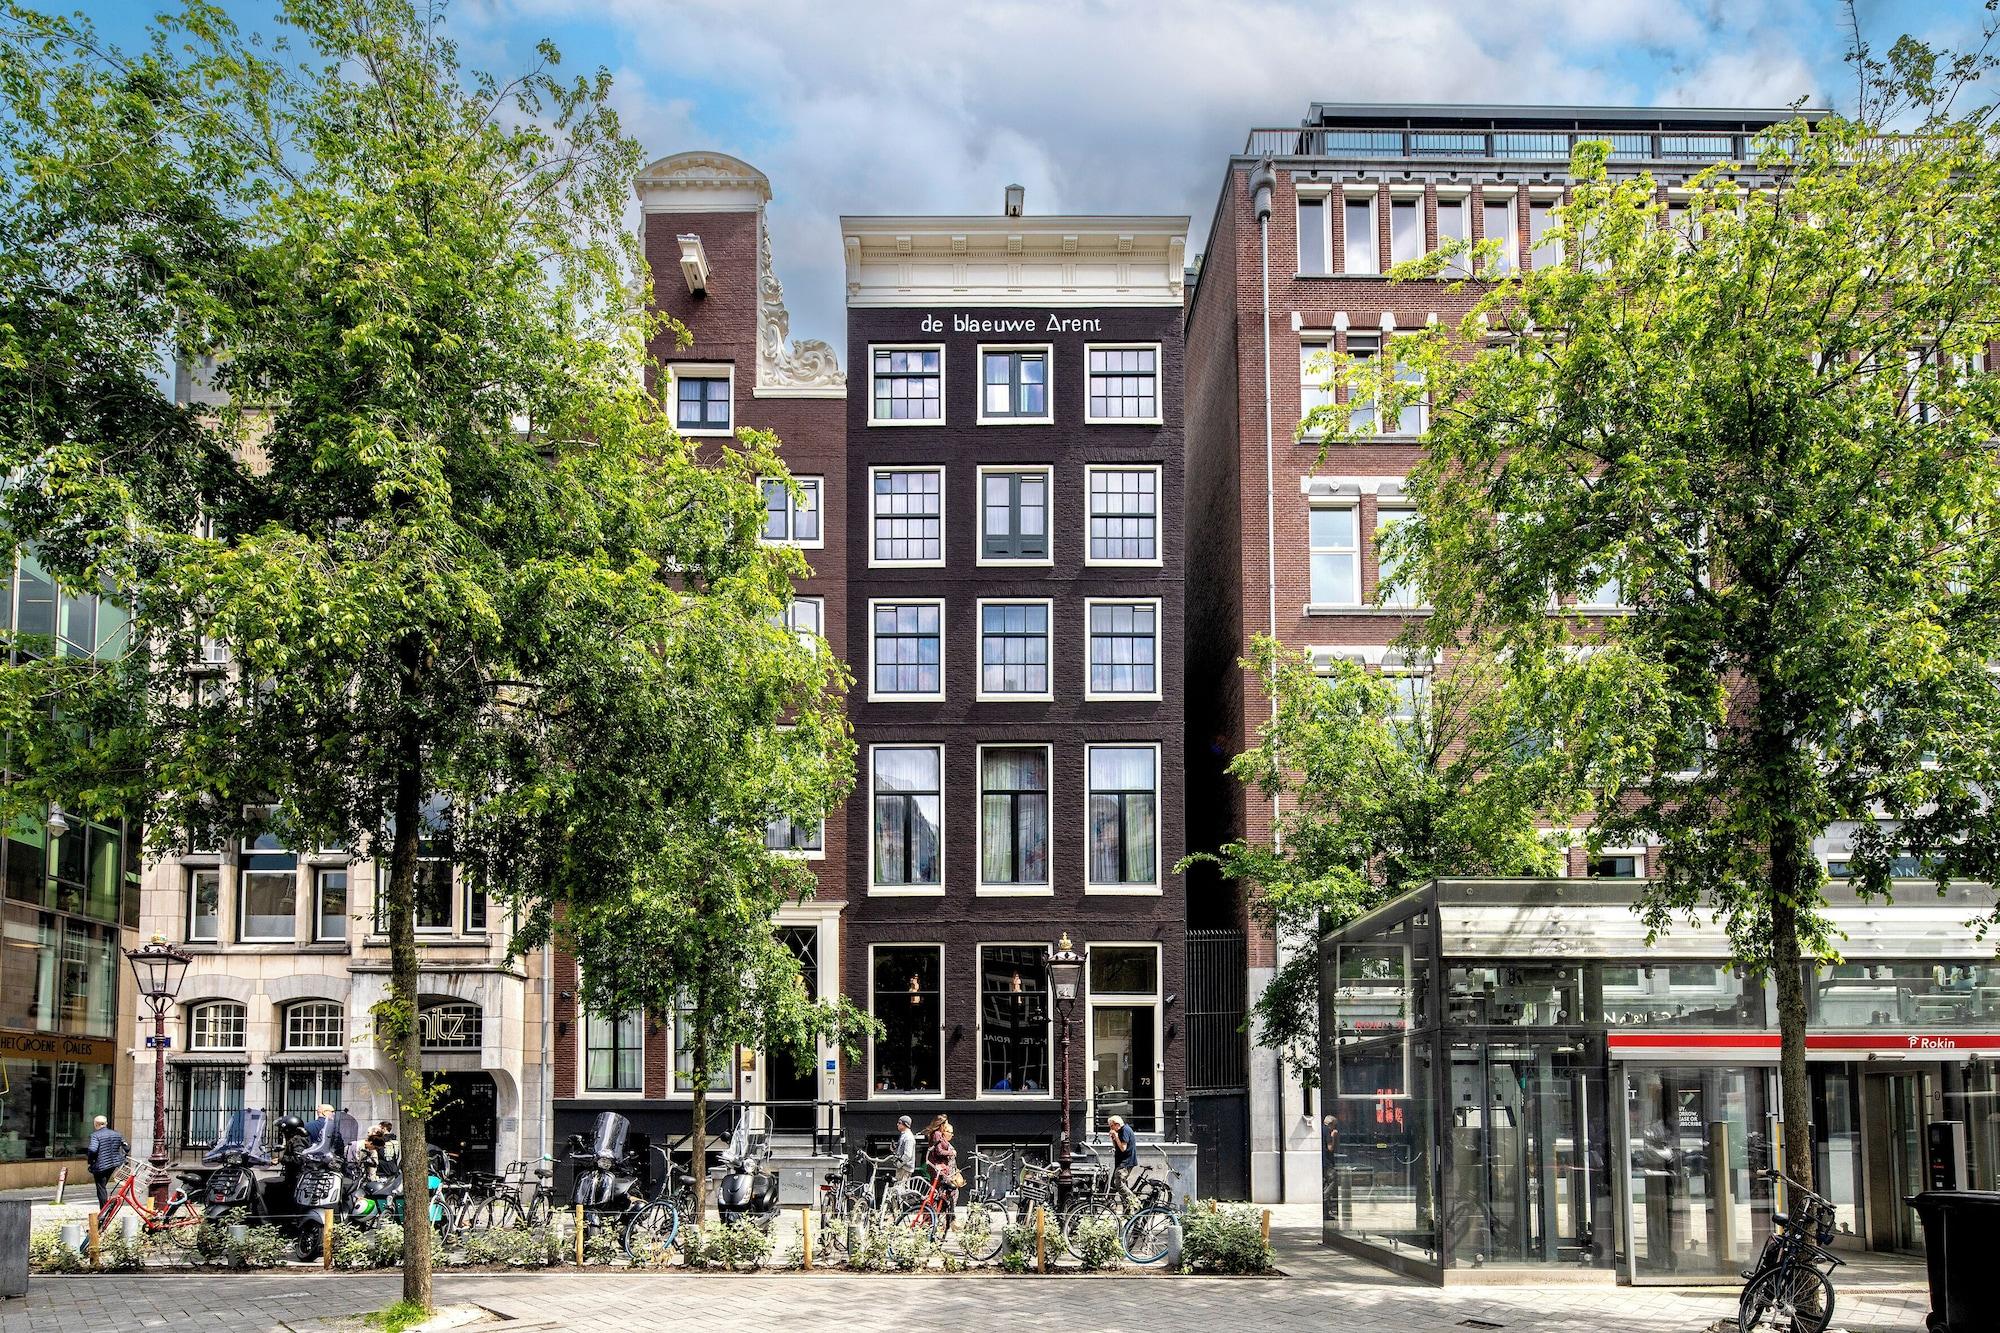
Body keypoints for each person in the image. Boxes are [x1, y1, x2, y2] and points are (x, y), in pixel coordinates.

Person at [87, 1115, 128, 1209]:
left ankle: (104, 1210)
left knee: (101, 1187)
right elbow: (127, 1147)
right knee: (103, 1185)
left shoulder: (95, 1135)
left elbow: (92, 1149)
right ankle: (106, 1208)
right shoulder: (117, 1134)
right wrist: (122, 1156)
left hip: (101, 1165)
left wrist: (91, 1161)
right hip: (114, 1164)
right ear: (106, 1123)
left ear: (95, 1124)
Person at [1107, 1114, 1140, 1206]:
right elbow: (1117, 1146)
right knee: (1114, 1184)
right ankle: (1124, 1207)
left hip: (1126, 1162)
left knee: (1119, 1183)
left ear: (1117, 1124)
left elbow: (1123, 1148)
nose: (1110, 1128)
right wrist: (1113, 1138)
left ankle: (1134, 1202)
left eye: (1111, 1126)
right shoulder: (1120, 1131)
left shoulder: (1125, 1130)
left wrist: (1116, 1136)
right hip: (1120, 1161)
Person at [892, 1115, 917, 1188]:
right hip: (903, 1167)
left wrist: (899, 1164)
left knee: (900, 1189)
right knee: (899, 1188)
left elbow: (907, 1155)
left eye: (899, 1123)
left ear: (905, 1124)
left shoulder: (908, 1137)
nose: (897, 1124)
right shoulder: (904, 1135)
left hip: (905, 1168)